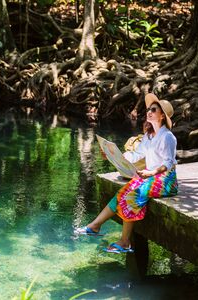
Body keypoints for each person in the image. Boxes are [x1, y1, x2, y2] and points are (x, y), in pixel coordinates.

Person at [75, 93, 178, 253]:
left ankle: (125, 242)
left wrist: (151, 173)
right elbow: (136, 154)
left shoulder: (168, 137)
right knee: (123, 191)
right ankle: (94, 226)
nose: (149, 112)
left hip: (166, 181)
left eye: (153, 110)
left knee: (134, 194)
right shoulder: (149, 136)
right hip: (150, 177)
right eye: (149, 109)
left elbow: (169, 163)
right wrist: (115, 155)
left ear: (162, 116)